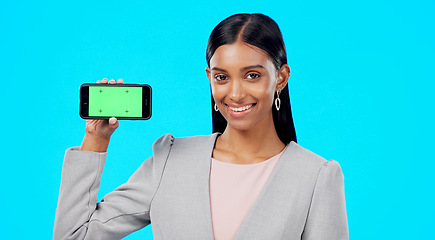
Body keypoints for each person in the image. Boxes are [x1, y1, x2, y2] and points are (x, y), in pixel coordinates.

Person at [54, 13, 348, 240]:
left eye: (252, 75)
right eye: (222, 77)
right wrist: (95, 140)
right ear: (209, 77)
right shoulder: (170, 161)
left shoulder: (316, 177)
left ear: (281, 78)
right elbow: (75, 235)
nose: (234, 94)